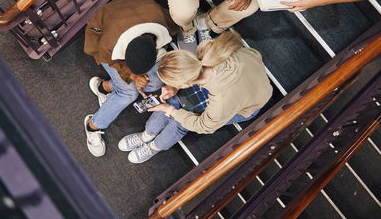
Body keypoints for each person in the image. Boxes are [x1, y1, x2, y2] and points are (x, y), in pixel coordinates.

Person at [117, 32, 273, 163]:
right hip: (245, 78)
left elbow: (202, 126)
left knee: (183, 121)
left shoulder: (220, 104)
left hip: (246, 105)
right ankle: (147, 134)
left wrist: (170, 110)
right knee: (173, 100)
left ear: (187, 84)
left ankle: (154, 146)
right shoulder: (211, 53)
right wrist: (175, 87)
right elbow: (253, 53)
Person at [82, 0, 178, 157]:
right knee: (129, 93)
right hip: (102, 40)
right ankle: (93, 125)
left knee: (153, 81)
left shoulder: (165, 22)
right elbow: (99, 54)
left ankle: (104, 87)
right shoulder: (108, 45)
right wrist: (132, 76)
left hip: (131, 25)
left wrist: (137, 76)